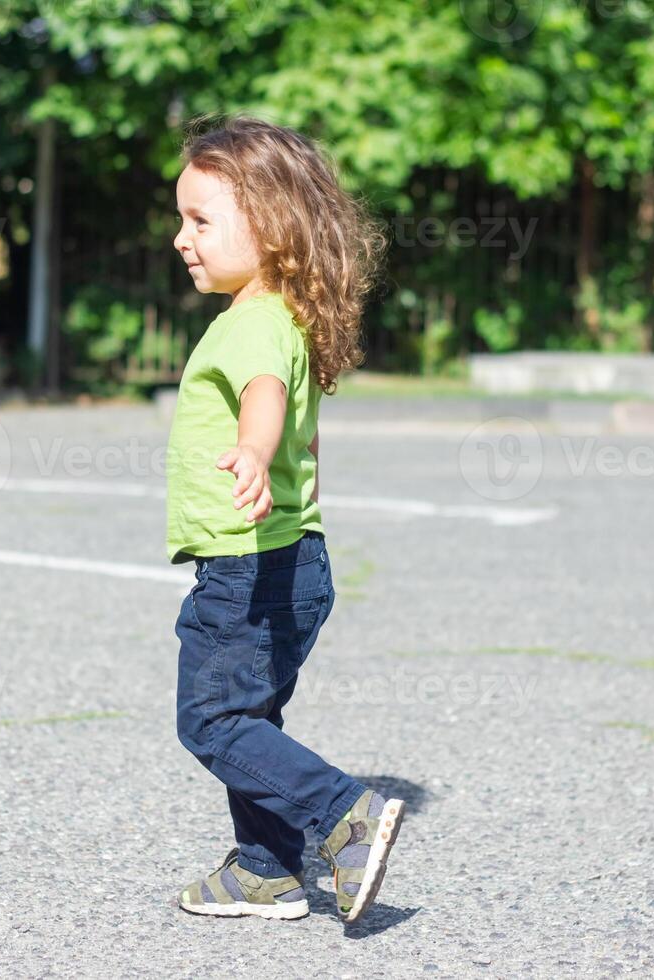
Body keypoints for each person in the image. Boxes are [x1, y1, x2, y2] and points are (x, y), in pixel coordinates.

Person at [165, 115, 402, 924]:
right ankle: (264, 869)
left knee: (211, 720)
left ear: (268, 227)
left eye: (200, 220)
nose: (180, 238)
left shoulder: (254, 325)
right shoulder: (283, 318)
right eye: (181, 218)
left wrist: (253, 453)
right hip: (292, 559)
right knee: (252, 715)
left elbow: (263, 398)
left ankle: (343, 815)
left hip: (244, 566)